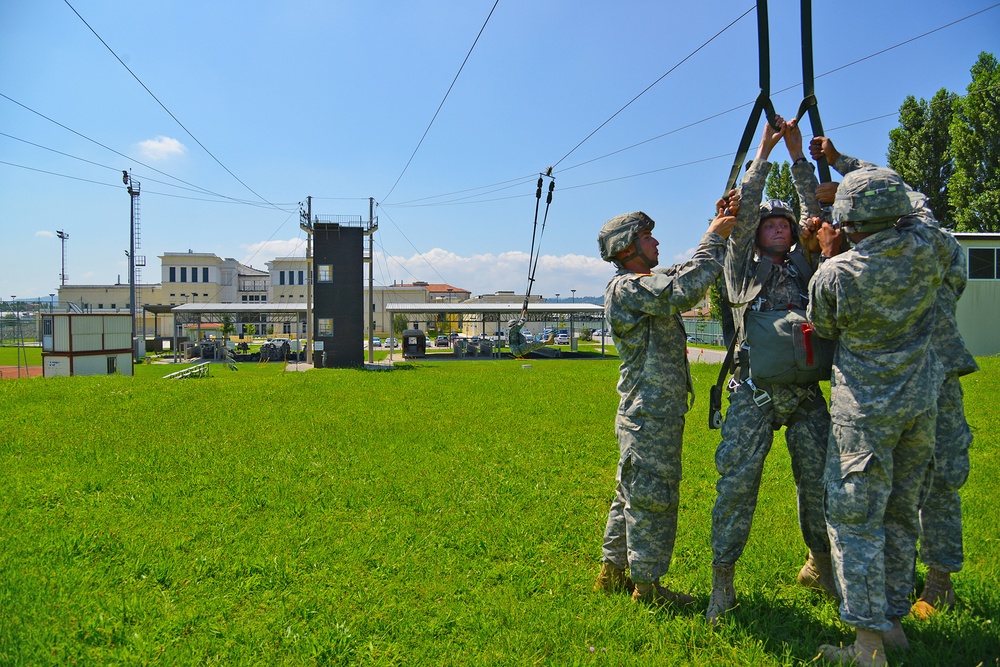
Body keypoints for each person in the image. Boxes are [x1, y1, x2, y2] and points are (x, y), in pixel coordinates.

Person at [809, 137, 979, 623]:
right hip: (924, 383)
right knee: (907, 502)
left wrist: (830, 246)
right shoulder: (934, 243)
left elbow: (825, 325)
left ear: (850, 223)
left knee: (906, 492)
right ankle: (899, 607)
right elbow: (913, 196)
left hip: (893, 393)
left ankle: (920, 593)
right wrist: (843, 164)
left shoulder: (839, 271)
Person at [705, 117, 835, 625]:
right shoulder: (741, 264)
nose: (778, 227)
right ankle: (723, 582)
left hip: (805, 397)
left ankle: (820, 565)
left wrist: (800, 156)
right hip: (752, 395)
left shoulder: (807, 264)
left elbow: (816, 213)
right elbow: (752, 200)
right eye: (768, 223)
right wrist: (764, 150)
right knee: (736, 487)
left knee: (821, 485)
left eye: (784, 224)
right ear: (755, 231)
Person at [593, 197, 739, 606]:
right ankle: (647, 587)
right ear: (626, 249)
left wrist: (715, 227)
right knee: (653, 498)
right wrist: (715, 237)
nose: (656, 242)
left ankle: (612, 572)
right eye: (647, 237)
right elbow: (685, 289)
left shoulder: (642, 284)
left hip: (648, 413)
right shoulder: (629, 288)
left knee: (632, 493)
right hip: (649, 415)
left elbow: (681, 273)